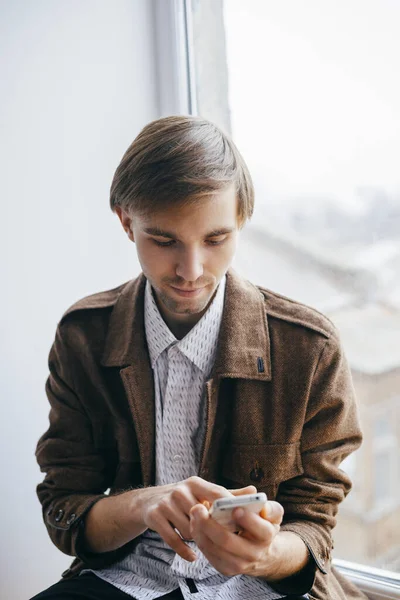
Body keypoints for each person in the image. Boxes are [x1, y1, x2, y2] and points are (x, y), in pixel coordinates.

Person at [32, 116, 367, 600]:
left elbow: (315, 521)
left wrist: (264, 555)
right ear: (126, 222)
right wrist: (145, 505)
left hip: (263, 588)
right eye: (164, 240)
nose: (190, 271)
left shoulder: (309, 348)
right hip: (127, 576)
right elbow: (64, 504)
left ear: (241, 222)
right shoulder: (82, 337)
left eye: (215, 240)